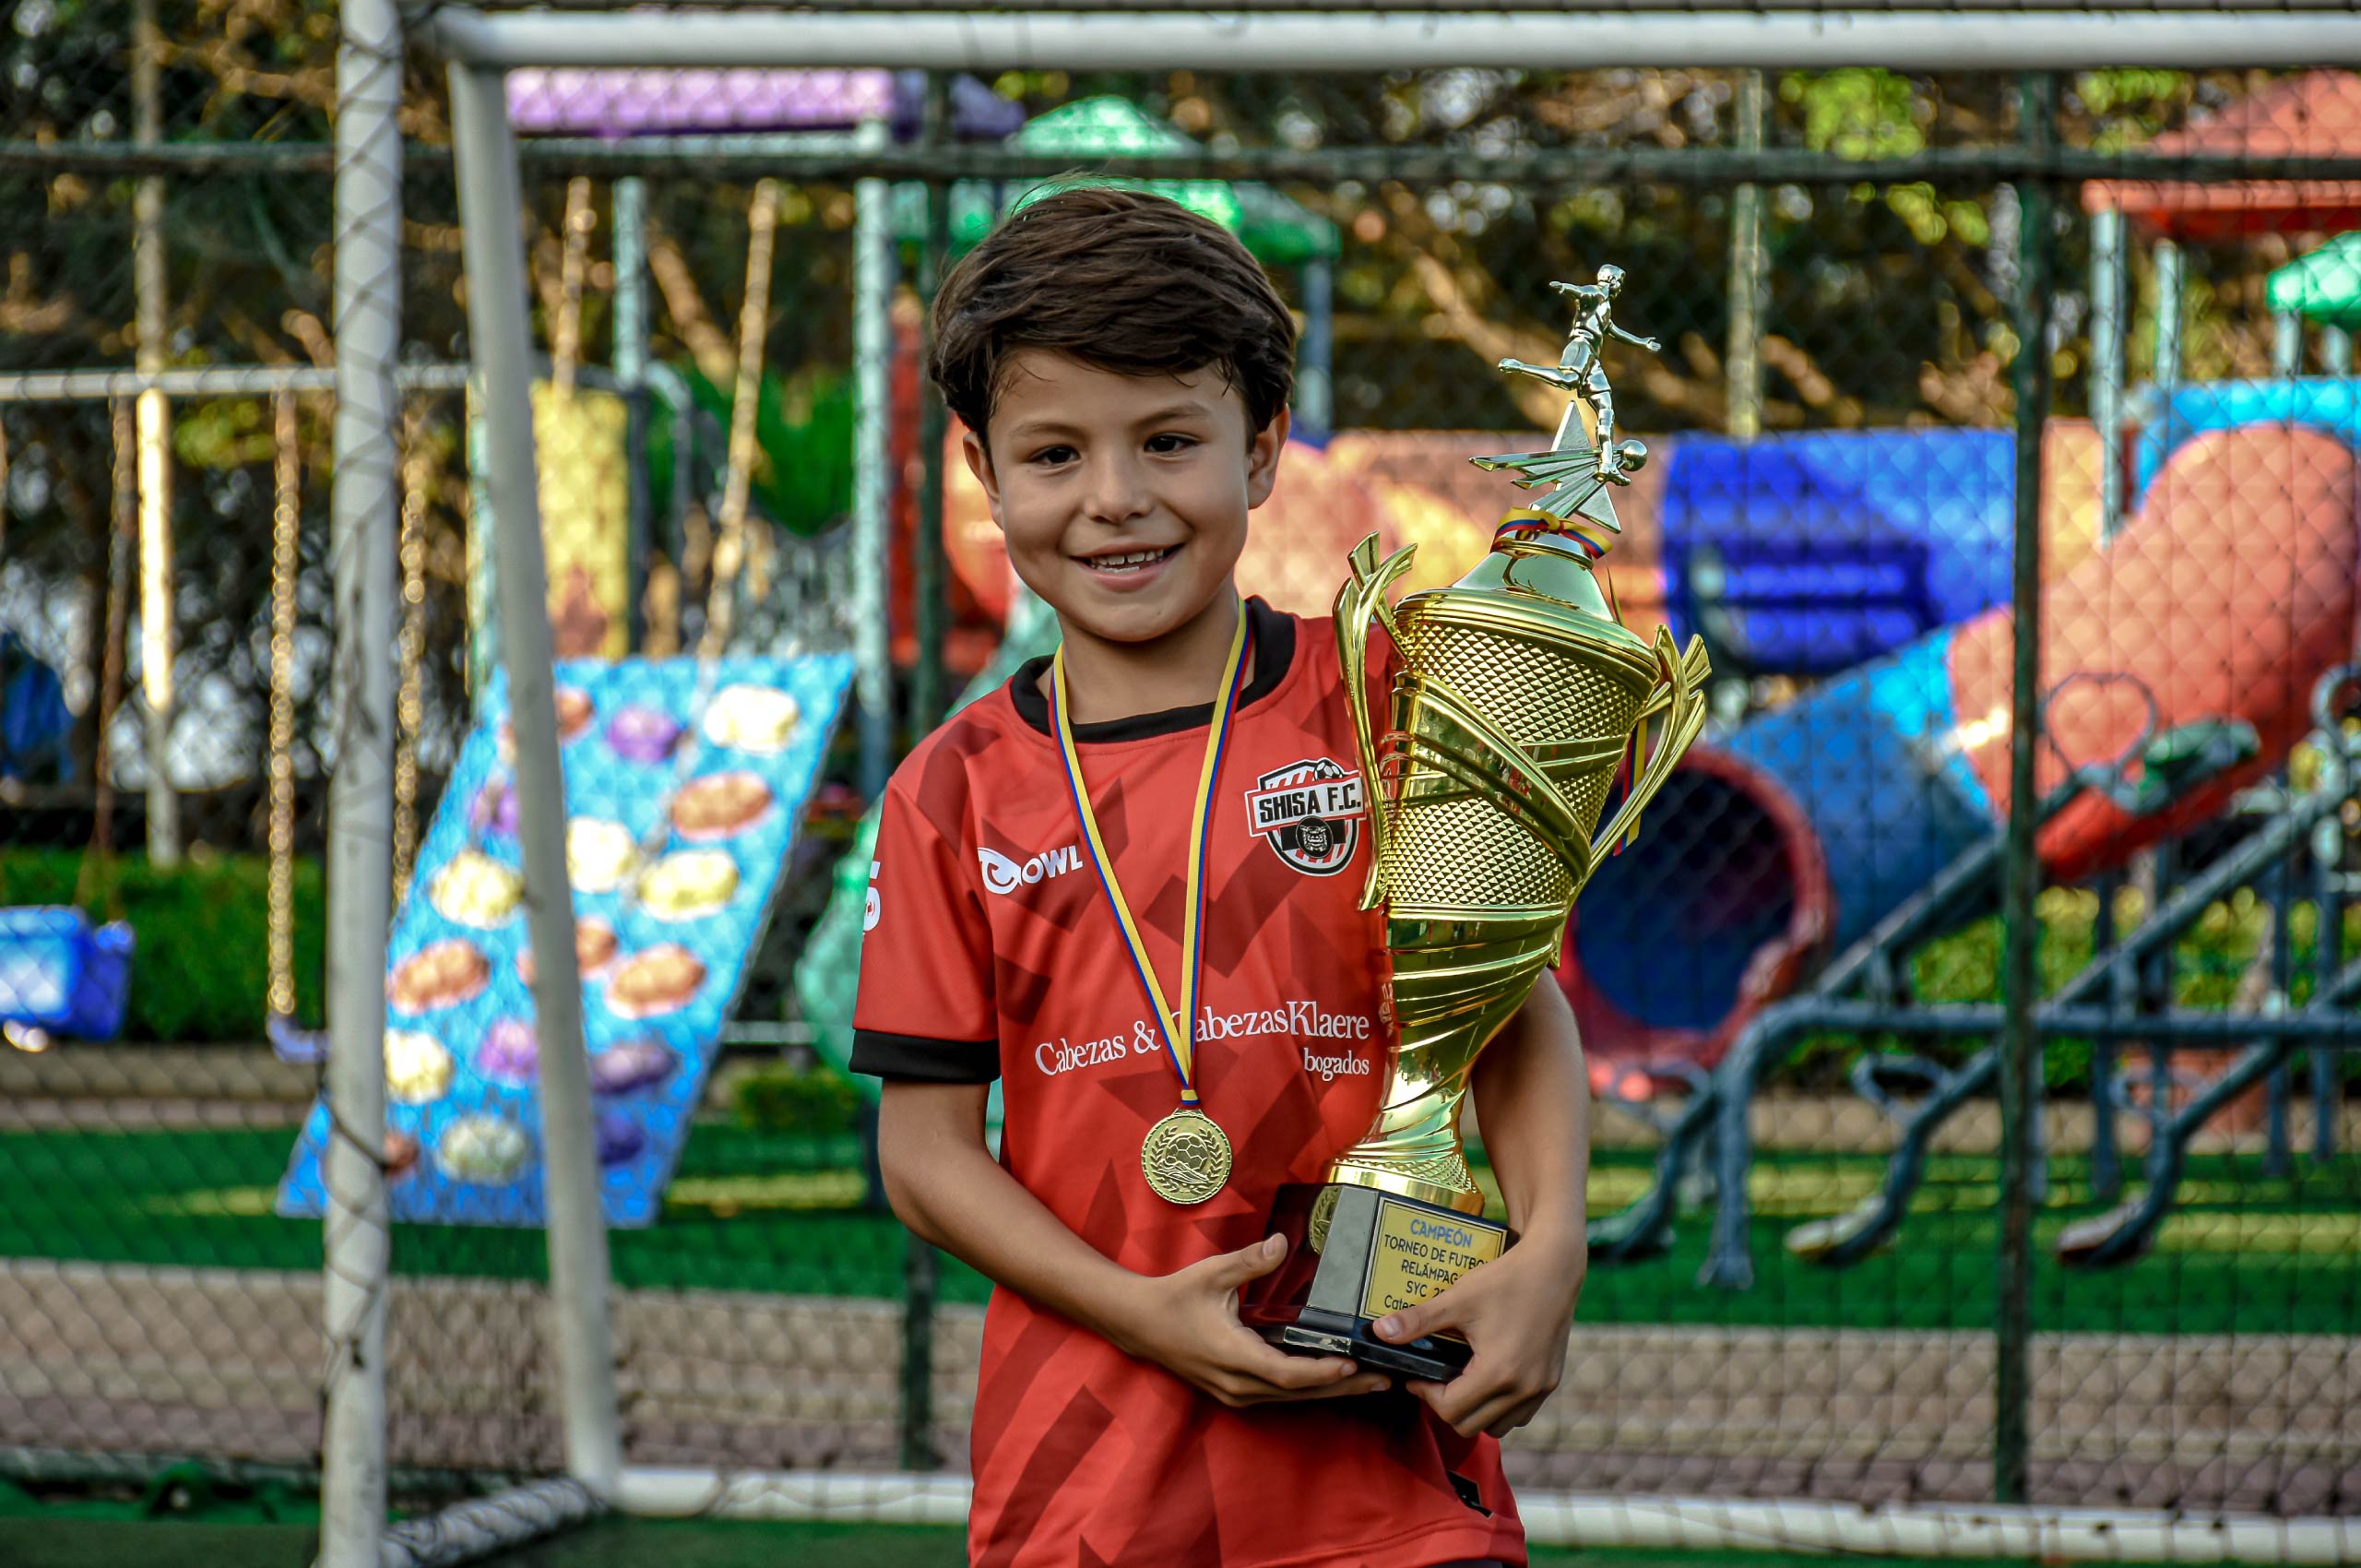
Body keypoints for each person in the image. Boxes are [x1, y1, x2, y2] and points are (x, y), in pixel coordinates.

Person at [853, 185, 1592, 1568]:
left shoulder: (1385, 701)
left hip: (1394, 1489)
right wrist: (1138, 1313)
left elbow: (1504, 1007)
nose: (1116, 498)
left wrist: (1553, 1250)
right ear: (983, 472)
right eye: (1056, 453)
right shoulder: (951, 792)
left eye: (1169, 440)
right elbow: (925, 1155)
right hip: (1087, 1489)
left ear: (1261, 452)